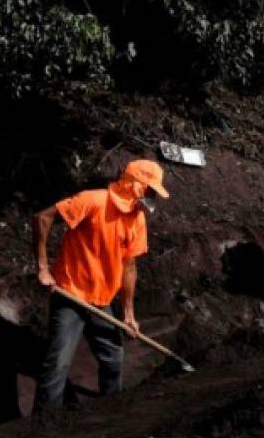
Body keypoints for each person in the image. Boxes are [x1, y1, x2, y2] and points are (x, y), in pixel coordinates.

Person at [32, 160, 168, 409]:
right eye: (149, 190)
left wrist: (128, 314)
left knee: (114, 359)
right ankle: (42, 425)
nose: (150, 198)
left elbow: (129, 267)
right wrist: (43, 268)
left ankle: (109, 412)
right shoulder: (93, 201)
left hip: (101, 300)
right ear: (133, 185)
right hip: (69, 294)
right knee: (57, 365)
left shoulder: (137, 221)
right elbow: (43, 217)